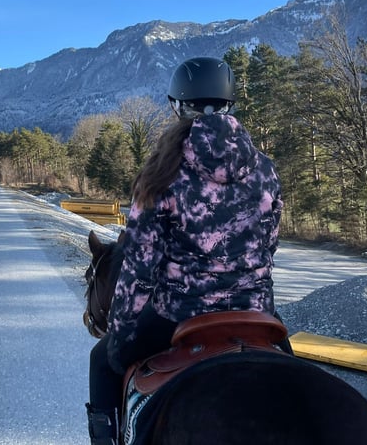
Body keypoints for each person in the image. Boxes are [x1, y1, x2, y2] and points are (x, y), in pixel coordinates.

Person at [86, 56, 285, 445]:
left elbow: (139, 272)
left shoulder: (161, 174)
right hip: (256, 313)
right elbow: (269, 247)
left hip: (179, 316)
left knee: (101, 362)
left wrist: (121, 339)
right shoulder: (266, 169)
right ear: (230, 104)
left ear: (178, 107)